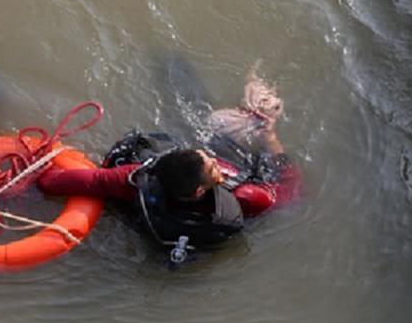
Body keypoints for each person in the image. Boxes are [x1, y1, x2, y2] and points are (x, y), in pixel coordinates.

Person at [36, 66, 300, 249]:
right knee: (245, 122)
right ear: (200, 189)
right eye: (211, 164)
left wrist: (35, 182)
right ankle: (258, 114)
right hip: (242, 171)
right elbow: (291, 192)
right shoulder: (248, 197)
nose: (207, 156)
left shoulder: (131, 181)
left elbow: (61, 182)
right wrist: (272, 140)